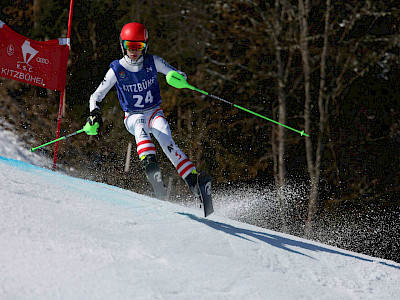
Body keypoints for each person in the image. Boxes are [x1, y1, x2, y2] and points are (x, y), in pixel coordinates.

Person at [85, 22, 199, 198]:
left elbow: (178, 74)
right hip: (132, 115)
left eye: (139, 46)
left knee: (167, 142)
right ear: (122, 45)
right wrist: (94, 113)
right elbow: (96, 96)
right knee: (140, 126)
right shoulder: (117, 69)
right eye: (130, 46)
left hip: (154, 112)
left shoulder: (153, 62)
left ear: (145, 46)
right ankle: (151, 165)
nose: (134, 51)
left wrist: (177, 78)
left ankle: (193, 180)